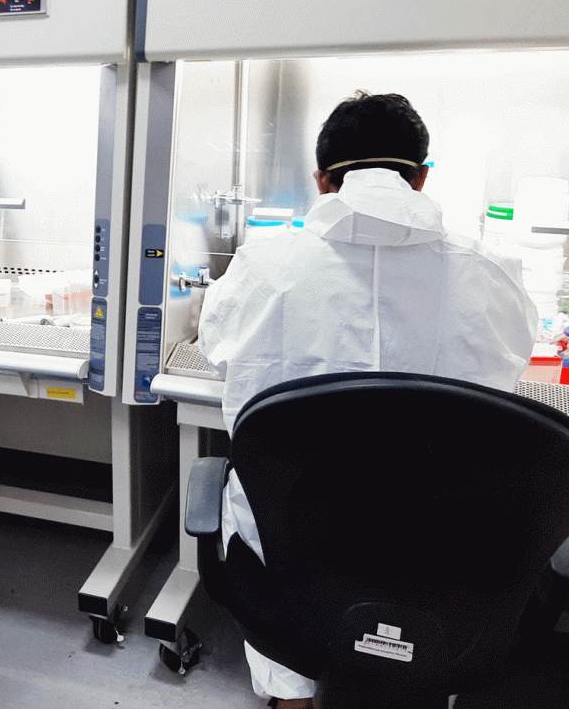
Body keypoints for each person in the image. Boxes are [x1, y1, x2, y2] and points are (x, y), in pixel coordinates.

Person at [198, 91, 539, 708]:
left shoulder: (261, 266)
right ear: (422, 176)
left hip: (291, 552)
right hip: (440, 558)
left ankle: (290, 698)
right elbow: (514, 359)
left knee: (273, 542)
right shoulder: (490, 272)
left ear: (322, 181)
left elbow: (214, 347)